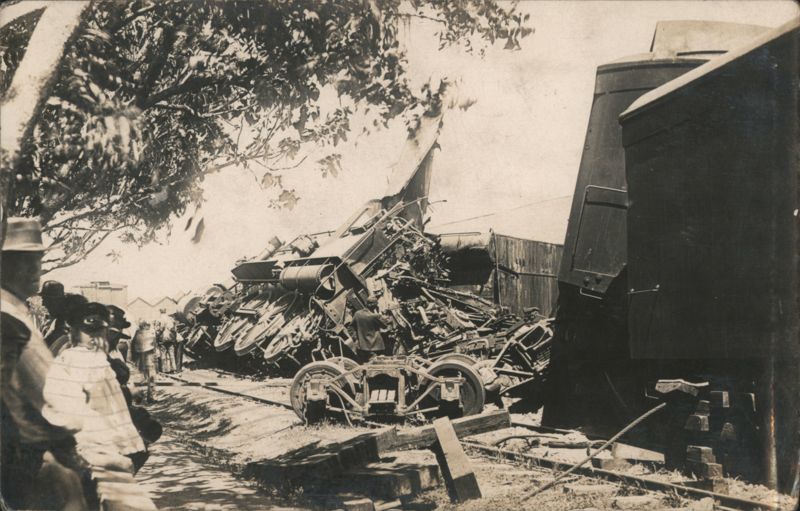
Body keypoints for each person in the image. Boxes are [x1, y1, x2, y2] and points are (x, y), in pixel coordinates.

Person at [0, 218, 91, 509]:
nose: (34, 268)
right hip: (32, 457)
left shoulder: (19, 311)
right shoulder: (7, 319)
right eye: (22, 260)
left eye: (37, 259)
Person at [44, 302, 146, 471]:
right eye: (89, 332)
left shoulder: (95, 358)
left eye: (99, 331)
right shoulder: (77, 358)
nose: (95, 337)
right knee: (124, 467)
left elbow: (112, 407)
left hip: (95, 443)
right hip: (85, 445)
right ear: (74, 332)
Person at [351, 296, 390, 363]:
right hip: (376, 347)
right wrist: (385, 316)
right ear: (373, 305)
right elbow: (384, 326)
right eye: (376, 304)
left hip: (362, 347)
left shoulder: (357, 314)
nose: (377, 305)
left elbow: (351, 327)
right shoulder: (375, 316)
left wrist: (355, 338)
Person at [133, 321, 157, 402]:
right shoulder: (150, 333)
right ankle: (151, 397)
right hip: (149, 355)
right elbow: (154, 344)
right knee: (151, 377)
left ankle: (139, 397)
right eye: (148, 325)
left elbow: (133, 344)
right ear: (145, 326)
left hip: (139, 357)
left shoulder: (137, 333)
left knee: (141, 377)